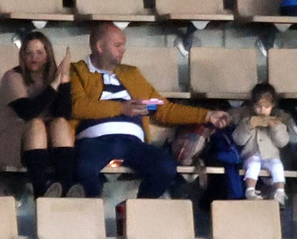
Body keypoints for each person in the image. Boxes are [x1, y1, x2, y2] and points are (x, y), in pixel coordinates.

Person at [65, 22, 230, 199]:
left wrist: (207, 115)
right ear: (99, 46)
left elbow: (162, 109)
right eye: (118, 45)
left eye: (124, 45)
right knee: (82, 169)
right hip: (94, 142)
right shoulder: (78, 71)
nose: (123, 50)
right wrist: (122, 108)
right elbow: (77, 106)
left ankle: (135, 212)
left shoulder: (132, 74)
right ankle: (94, 209)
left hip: (133, 143)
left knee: (165, 167)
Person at [0, 32, 79, 197]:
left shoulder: (53, 77)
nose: (34, 57)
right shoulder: (12, 77)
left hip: (45, 143)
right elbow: (28, 112)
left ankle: (65, 186)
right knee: (36, 124)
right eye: (29, 53)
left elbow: (63, 113)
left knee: (61, 123)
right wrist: (55, 84)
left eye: (39, 53)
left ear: (48, 55)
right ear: (22, 56)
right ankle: (40, 190)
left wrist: (64, 82)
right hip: (12, 140)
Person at [230, 82, 295, 204]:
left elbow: (282, 142)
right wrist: (249, 125)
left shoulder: (277, 122)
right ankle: (250, 190)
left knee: (278, 167)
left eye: (266, 106)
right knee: (253, 165)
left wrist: (275, 128)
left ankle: (280, 192)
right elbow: (238, 140)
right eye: (259, 106)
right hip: (251, 154)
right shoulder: (247, 121)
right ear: (253, 105)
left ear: (272, 106)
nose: (262, 110)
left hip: (271, 156)